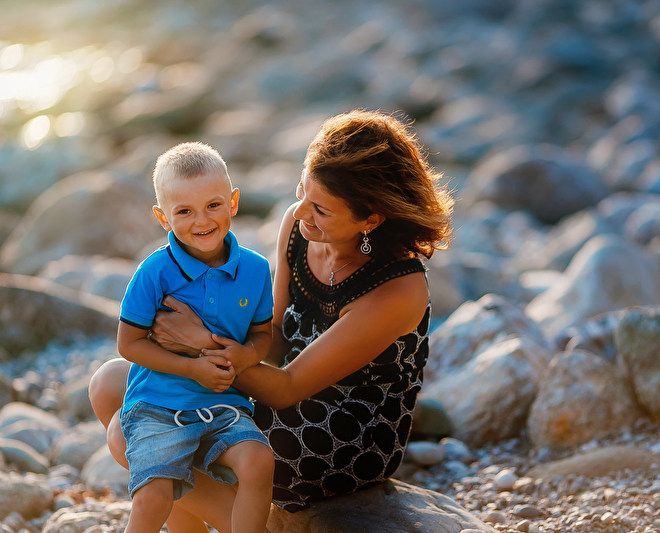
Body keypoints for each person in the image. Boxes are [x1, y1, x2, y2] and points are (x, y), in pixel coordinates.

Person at [89, 109, 454, 531]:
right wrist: (198, 354)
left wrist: (200, 344)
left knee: (129, 432)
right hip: (274, 386)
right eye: (302, 191)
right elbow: (275, 333)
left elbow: (287, 388)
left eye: (321, 209)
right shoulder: (300, 229)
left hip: (341, 434)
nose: (300, 213)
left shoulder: (397, 290)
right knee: (111, 383)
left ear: (370, 219)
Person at [114, 142, 275, 533]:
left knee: (258, 461)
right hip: (157, 405)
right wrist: (191, 368)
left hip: (224, 403)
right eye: (184, 211)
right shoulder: (154, 272)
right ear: (162, 217)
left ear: (233, 202)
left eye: (213, 205)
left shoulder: (255, 269)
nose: (202, 221)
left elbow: (262, 335)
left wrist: (244, 357)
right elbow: (128, 344)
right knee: (154, 496)